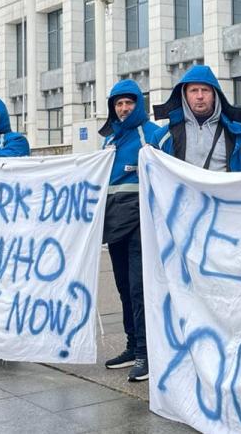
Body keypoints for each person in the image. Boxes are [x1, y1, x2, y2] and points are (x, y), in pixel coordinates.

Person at [98, 80, 161, 383]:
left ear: (139, 104)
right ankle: (130, 345)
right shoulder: (109, 139)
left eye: (129, 102)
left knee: (139, 289)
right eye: (118, 104)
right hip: (114, 223)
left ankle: (145, 352)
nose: (123, 109)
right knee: (123, 286)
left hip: (140, 224)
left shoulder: (152, 135)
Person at [150, 65, 241, 172]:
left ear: (215, 95)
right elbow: (151, 175)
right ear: (184, 96)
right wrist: (146, 153)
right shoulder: (162, 137)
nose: (200, 96)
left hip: (224, 193)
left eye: (205, 90)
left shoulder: (240, 135)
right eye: (194, 90)